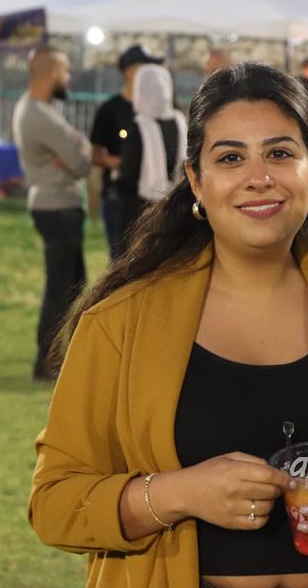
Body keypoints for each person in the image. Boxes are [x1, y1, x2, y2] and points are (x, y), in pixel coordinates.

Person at [28, 63, 308, 588]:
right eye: (231, 157)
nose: (259, 177)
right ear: (196, 181)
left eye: (280, 153)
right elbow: (54, 504)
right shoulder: (121, 323)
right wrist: (178, 494)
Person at [13, 46, 92, 382]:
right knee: (61, 289)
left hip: (55, 203)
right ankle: (46, 363)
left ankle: (59, 356)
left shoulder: (34, 109)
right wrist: (78, 147)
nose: (69, 78)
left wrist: (75, 146)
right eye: (66, 71)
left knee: (72, 285)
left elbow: (75, 152)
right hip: (57, 206)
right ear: (51, 73)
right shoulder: (41, 116)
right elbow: (82, 162)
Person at [90, 43, 165, 260]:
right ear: (130, 72)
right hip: (120, 195)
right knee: (122, 258)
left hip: (155, 194)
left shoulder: (159, 110)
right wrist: (120, 162)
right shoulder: (111, 109)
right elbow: (95, 153)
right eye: (147, 69)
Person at [113, 64, 187, 239]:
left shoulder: (139, 126)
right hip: (175, 205)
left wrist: (117, 177)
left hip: (140, 209)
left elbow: (130, 173)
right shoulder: (181, 121)